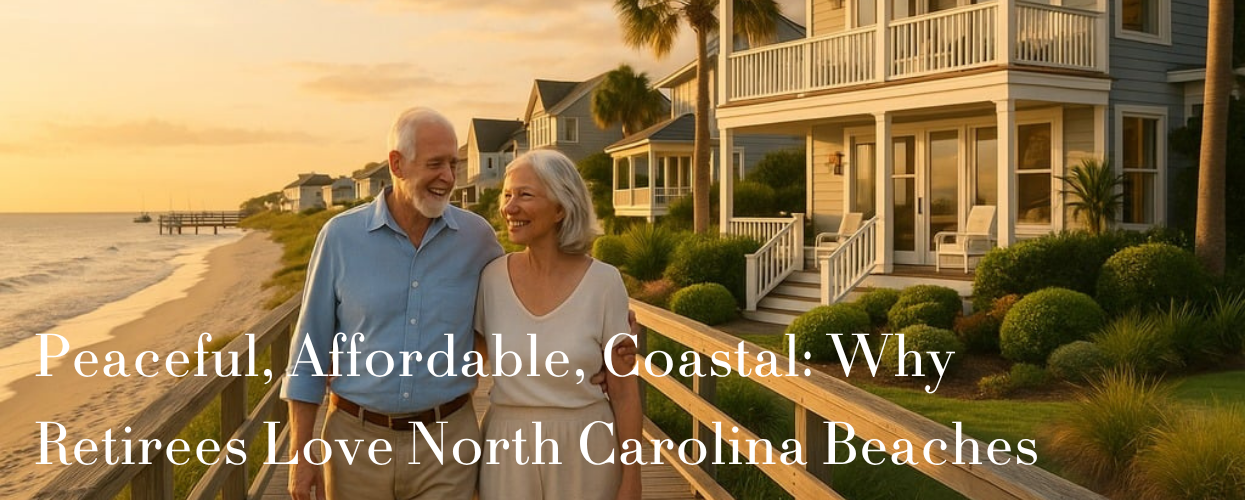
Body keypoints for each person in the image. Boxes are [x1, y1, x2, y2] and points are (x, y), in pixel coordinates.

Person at [281, 107, 636, 500]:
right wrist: (301, 453)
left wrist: (604, 339)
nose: (448, 177)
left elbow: (532, 301)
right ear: (396, 164)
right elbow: (307, 353)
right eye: (435, 164)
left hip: (449, 444)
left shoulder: (477, 239)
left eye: (453, 163)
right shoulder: (339, 237)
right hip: (355, 442)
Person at [474, 150, 642, 500]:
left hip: (586, 447)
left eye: (525, 194)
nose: (509, 207)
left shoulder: (604, 283)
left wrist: (631, 479)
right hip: (506, 448)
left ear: (561, 208)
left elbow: (625, 394)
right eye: (507, 195)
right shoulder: (490, 279)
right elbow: (467, 364)